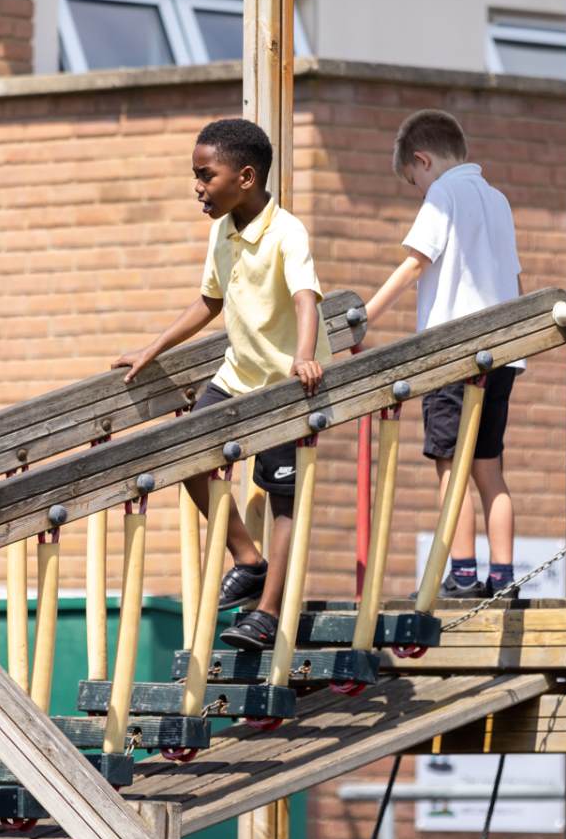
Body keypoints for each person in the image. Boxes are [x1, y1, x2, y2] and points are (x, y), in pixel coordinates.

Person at [113, 117, 329, 652]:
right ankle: (248, 559)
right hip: (238, 375)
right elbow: (209, 301)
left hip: (286, 387)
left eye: (205, 175)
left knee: (283, 498)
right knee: (187, 453)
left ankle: (267, 612)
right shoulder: (223, 231)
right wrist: (153, 348)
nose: (197, 187)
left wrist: (304, 357)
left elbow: (305, 298)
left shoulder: (286, 232)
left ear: (246, 177)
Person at [361, 110, 522, 600]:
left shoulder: (443, 194)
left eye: (414, 180)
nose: (419, 190)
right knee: (490, 469)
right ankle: (503, 578)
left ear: (423, 160)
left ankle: (463, 574)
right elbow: (515, 278)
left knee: (451, 467)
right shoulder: (498, 200)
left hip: (453, 353)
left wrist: (364, 315)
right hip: (503, 350)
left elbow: (415, 263)